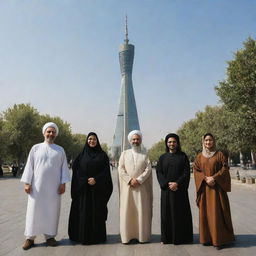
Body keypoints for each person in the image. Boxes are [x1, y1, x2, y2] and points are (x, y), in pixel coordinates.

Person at [21, 122, 71, 250]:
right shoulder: (35, 148)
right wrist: (27, 183)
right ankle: (30, 238)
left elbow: (64, 169)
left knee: (52, 212)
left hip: (54, 189)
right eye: (48, 131)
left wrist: (63, 183)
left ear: (56, 134)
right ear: (44, 133)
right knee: (33, 211)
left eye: (53, 132)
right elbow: (29, 166)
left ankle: (50, 237)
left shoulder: (60, 150)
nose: (51, 134)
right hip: (36, 188)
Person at [68, 132, 113, 245]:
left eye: (94, 139)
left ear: (97, 141)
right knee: (83, 212)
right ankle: (81, 236)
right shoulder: (81, 156)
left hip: (97, 191)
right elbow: (76, 170)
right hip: (83, 190)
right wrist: (85, 180)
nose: (92, 141)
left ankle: (97, 237)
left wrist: (96, 179)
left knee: (96, 213)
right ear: (87, 141)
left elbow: (106, 173)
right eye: (90, 139)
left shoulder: (102, 156)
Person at [193, 133, 235, 250]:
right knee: (206, 213)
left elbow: (225, 168)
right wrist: (205, 178)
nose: (208, 142)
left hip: (218, 190)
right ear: (203, 142)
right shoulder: (199, 156)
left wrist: (215, 178)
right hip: (205, 190)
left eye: (210, 140)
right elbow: (196, 170)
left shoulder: (220, 154)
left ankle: (220, 239)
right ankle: (207, 239)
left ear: (214, 141)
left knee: (219, 212)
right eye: (206, 140)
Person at [156, 133, 193, 245]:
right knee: (166, 214)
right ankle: (166, 238)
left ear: (177, 143)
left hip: (179, 191)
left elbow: (186, 173)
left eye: (174, 142)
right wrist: (167, 184)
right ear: (167, 144)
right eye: (169, 142)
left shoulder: (183, 156)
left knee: (180, 214)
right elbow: (159, 172)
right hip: (167, 191)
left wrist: (177, 183)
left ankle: (182, 237)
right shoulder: (162, 158)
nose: (172, 144)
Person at [118, 130, 153, 244]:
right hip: (128, 189)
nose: (135, 141)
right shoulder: (124, 153)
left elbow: (148, 169)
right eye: (133, 139)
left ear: (140, 140)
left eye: (137, 139)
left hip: (140, 188)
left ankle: (142, 236)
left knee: (141, 211)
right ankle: (127, 237)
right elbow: (120, 169)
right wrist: (129, 180)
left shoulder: (145, 154)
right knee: (127, 211)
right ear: (130, 141)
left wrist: (139, 180)